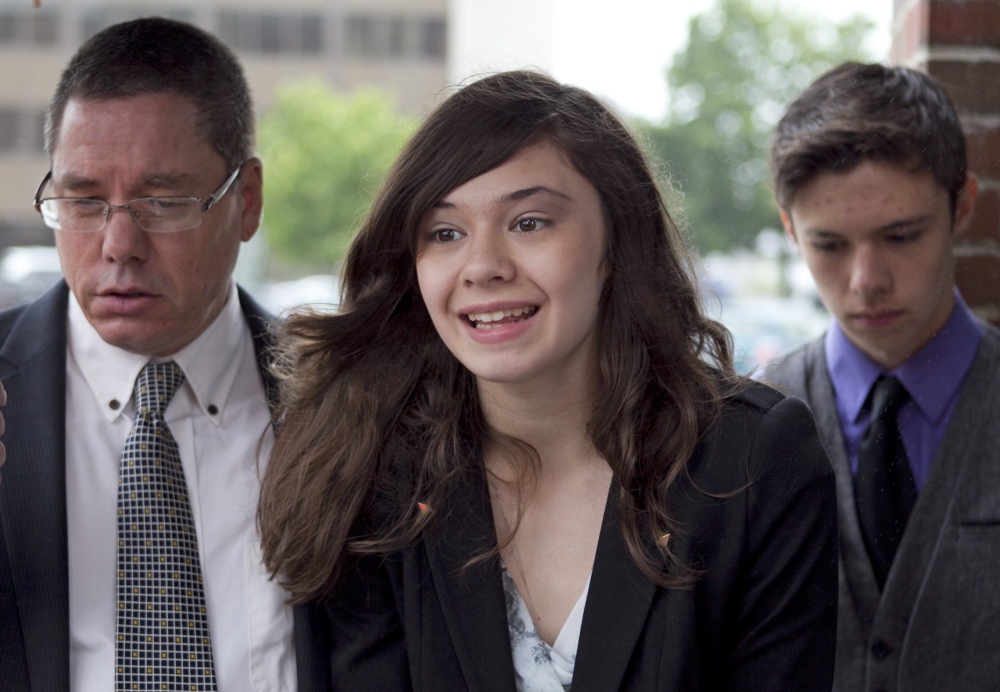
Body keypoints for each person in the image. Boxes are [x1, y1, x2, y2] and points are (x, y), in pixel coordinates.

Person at [259, 70, 838, 691]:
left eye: (529, 222)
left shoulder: (752, 460)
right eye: (445, 233)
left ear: (615, 242)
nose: (482, 267)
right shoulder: (367, 470)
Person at [0, 18, 328, 692]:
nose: (119, 243)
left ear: (247, 201)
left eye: (163, 201)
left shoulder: (345, 402)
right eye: (83, 201)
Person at [763, 62, 1000, 692]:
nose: (866, 280)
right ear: (790, 230)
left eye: (901, 236)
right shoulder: (747, 423)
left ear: (963, 207)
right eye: (829, 245)